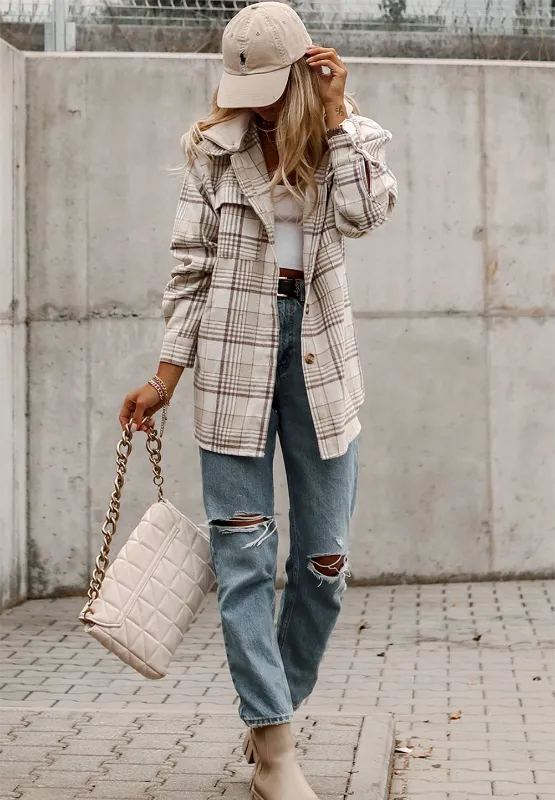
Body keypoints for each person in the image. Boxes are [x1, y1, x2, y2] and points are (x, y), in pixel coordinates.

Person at [120, 3, 397, 798]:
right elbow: (190, 271)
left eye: (271, 88)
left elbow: (365, 216)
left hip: (320, 362)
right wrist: (164, 379)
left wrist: (337, 118)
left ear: (306, 72)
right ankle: (274, 751)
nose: (257, 105)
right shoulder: (212, 153)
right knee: (242, 560)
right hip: (230, 357)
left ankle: (273, 708)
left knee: (323, 563)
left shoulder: (351, 137)